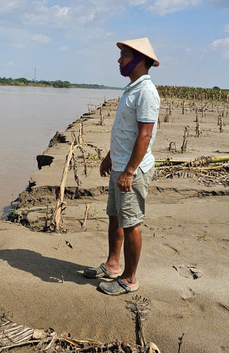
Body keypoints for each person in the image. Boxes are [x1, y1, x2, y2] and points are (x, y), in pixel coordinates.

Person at [83, 37, 160, 295]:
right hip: (120, 166)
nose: (119, 60)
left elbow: (144, 135)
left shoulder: (146, 92)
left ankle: (129, 279)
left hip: (132, 171)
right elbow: (125, 132)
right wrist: (109, 157)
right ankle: (113, 265)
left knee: (131, 223)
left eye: (125, 56)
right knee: (115, 218)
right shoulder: (132, 89)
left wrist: (129, 171)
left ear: (140, 60)